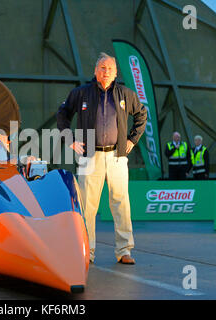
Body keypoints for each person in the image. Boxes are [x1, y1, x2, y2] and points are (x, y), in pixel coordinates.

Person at [57, 52, 147, 265]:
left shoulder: (125, 94)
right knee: (87, 206)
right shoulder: (81, 94)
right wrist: (69, 139)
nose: (106, 72)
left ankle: (124, 250)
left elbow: (142, 115)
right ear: (95, 71)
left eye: (110, 69)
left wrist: (132, 140)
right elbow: (63, 114)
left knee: (121, 203)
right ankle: (87, 251)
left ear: (116, 73)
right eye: (102, 68)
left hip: (117, 156)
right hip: (90, 156)